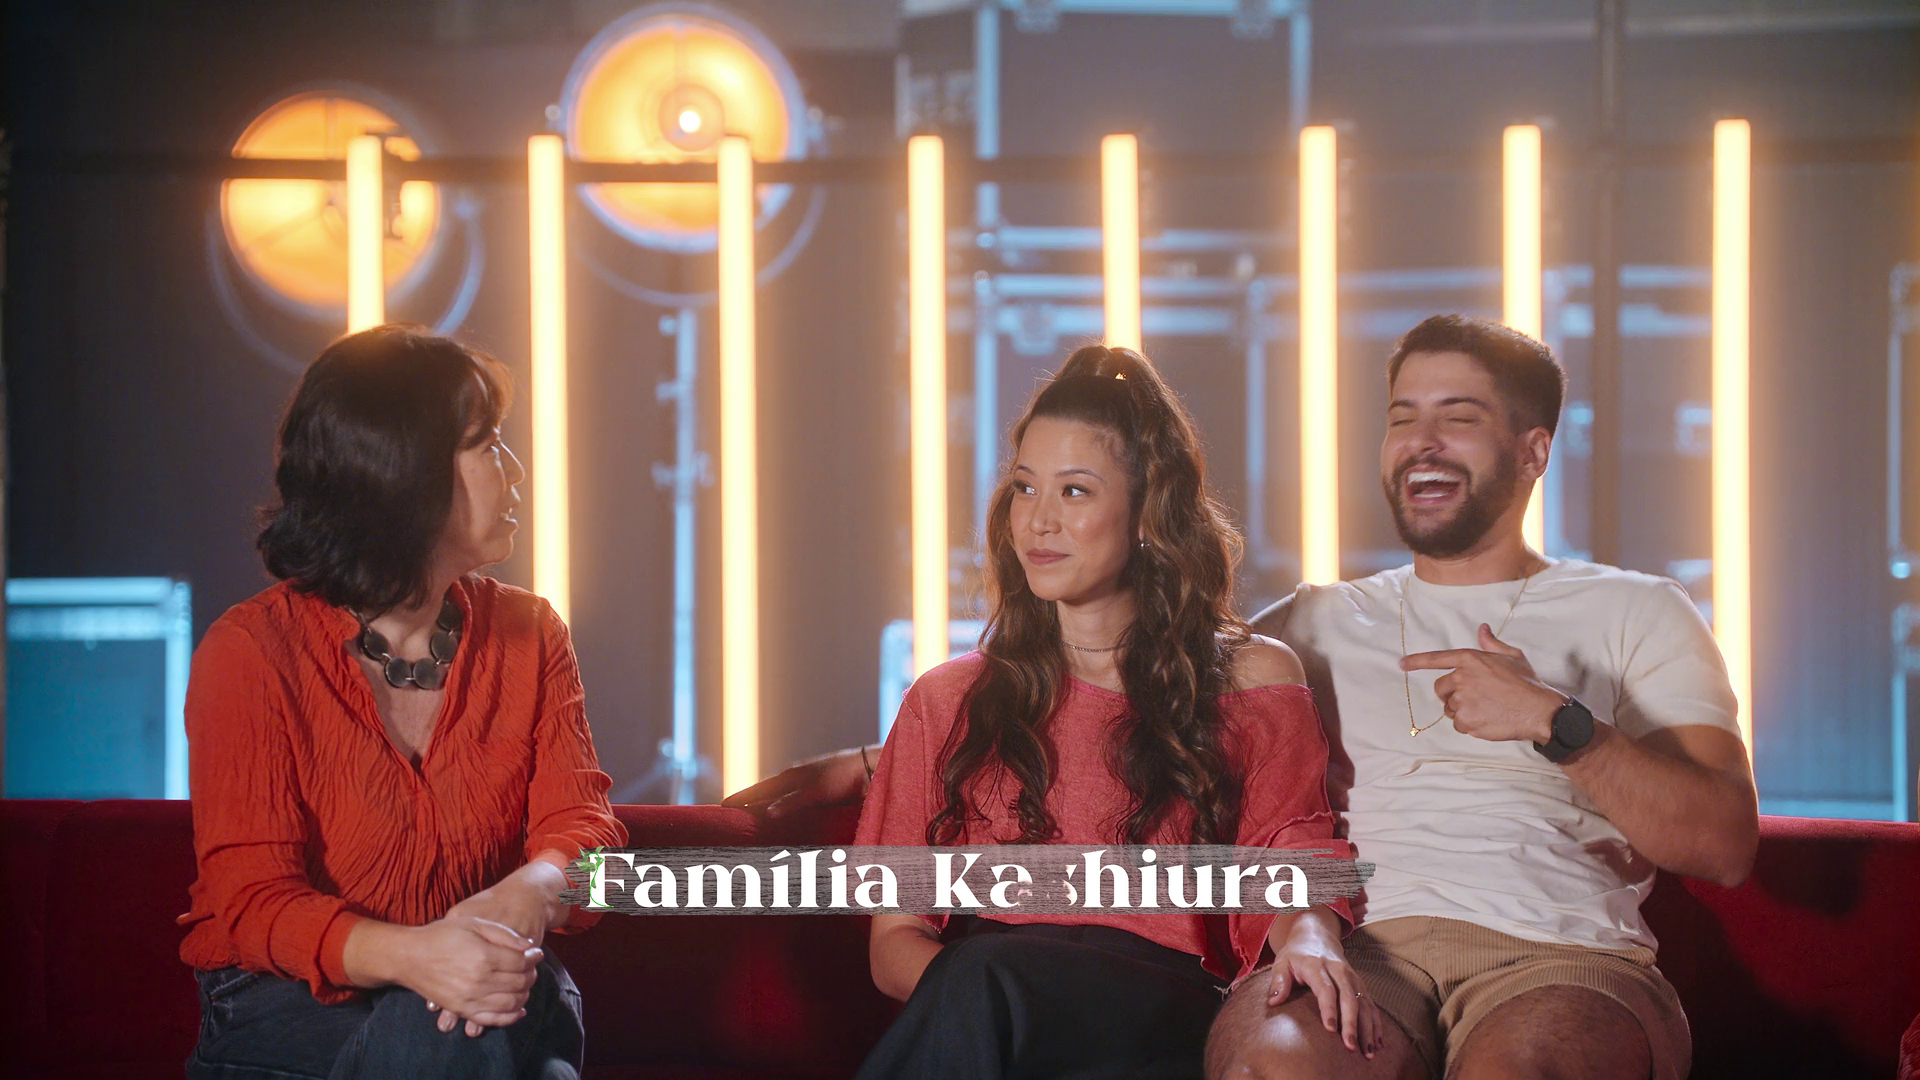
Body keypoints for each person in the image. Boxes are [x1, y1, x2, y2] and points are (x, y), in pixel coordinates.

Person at [729, 316, 1759, 1080]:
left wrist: (1558, 724)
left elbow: (1723, 841)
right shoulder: (1312, 625)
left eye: (1461, 417)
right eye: (1403, 416)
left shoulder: (1636, 610)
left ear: (1534, 449)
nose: (1424, 440)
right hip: (1373, 955)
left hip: (1553, 956)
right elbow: (1123, 691)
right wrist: (870, 763)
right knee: (1250, 1055)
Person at [850, 344, 1377, 1080]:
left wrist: (1311, 936)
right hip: (988, 1006)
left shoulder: (1250, 678)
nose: (1038, 521)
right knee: (979, 976)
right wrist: (988, 1008)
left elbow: (1288, 857)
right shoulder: (946, 698)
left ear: (1145, 516)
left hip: (1158, 1004)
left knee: (980, 976)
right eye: (1024, 488)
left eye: (1074, 491)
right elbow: (893, 944)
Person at [178, 325, 626, 1080]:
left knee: (478, 1017)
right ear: (403, 476)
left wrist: (533, 889)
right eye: (488, 445)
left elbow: (585, 833)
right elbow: (253, 903)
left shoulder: (532, 633)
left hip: (484, 985)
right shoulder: (250, 651)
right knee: (504, 1054)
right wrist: (421, 959)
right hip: (290, 1004)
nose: (516, 471)